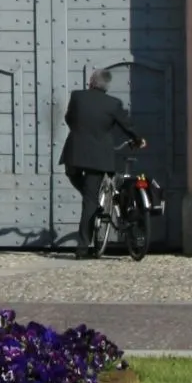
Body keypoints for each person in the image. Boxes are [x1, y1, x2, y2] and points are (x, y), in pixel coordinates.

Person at [61, 69, 145, 254]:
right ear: (107, 86)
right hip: (98, 157)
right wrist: (138, 139)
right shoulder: (113, 104)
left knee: (72, 174)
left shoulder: (77, 97)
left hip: (75, 153)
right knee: (90, 199)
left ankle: (92, 200)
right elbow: (127, 125)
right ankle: (82, 248)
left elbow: (69, 119)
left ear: (91, 82)